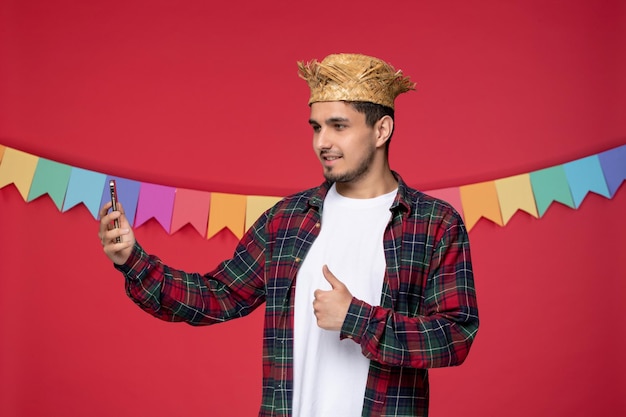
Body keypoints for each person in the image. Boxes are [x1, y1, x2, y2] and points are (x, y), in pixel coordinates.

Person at [99, 53, 479, 417]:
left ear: (382, 130)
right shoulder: (287, 220)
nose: (322, 142)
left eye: (338, 126)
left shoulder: (435, 223)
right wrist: (133, 261)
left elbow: (456, 336)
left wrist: (356, 319)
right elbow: (217, 296)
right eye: (316, 127)